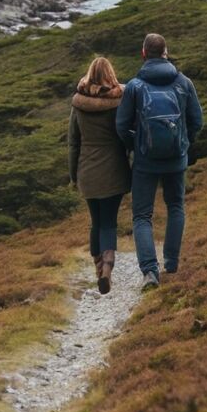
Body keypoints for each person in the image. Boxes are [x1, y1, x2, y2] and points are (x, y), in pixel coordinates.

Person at [115, 33, 204, 291]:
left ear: (144, 54)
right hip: (177, 159)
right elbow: (197, 121)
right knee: (176, 206)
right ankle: (172, 263)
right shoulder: (183, 82)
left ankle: (150, 272)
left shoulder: (134, 86)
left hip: (146, 161)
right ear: (166, 52)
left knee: (142, 215)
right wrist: (183, 144)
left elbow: (121, 126)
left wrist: (137, 147)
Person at [68, 56, 131, 294]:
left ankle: (97, 269)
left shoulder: (78, 104)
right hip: (114, 168)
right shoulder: (119, 101)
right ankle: (107, 267)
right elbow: (126, 135)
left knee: (95, 221)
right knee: (109, 221)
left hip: (87, 170)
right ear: (110, 74)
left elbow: (73, 142)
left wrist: (73, 174)